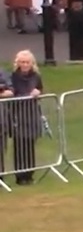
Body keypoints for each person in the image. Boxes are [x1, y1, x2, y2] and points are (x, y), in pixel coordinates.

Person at [4, 50, 43, 185]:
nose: (25, 65)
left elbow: (40, 88)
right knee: (19, 145)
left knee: (30, 144)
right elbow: (11, 92)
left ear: (32, 63)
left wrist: (38, 92)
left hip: (31, 113)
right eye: (22, 62)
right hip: (18, 114)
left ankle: (29, 174)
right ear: (18, 63)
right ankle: (20, 175)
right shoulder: (13, 77)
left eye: (27, 62)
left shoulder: (36, 76)